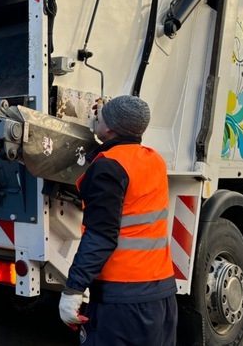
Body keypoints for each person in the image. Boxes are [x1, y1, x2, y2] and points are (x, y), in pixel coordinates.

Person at [58, 95, 177, 345]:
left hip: (123, 301)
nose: (94, 119)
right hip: (161, 295)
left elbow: (101, 235)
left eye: (98, 118)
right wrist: (109, 112)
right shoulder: (154, 159)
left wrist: (73, 289)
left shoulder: (108, 168)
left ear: (110, 128)